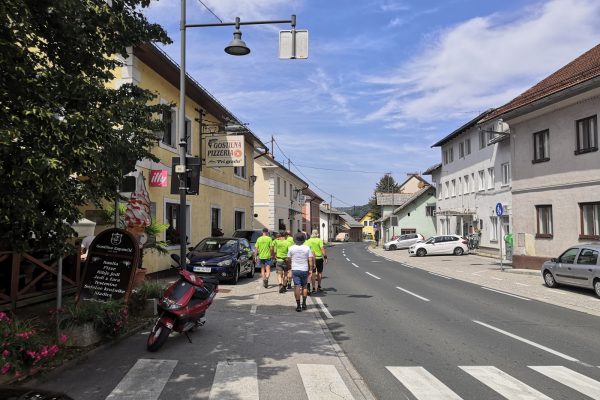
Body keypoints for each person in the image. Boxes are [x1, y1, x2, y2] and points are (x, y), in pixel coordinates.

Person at [286, 232, 315, 312]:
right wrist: (311, 269)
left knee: (297, 287)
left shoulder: (291, 248)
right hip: (304, 269)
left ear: (295, 239)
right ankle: (304, 304)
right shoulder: (307, 248)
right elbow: (310, 260)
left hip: (295, 269)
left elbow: (288, 259)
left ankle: (298, 306)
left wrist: (289, 268)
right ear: (303, 240)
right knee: (304, 286)